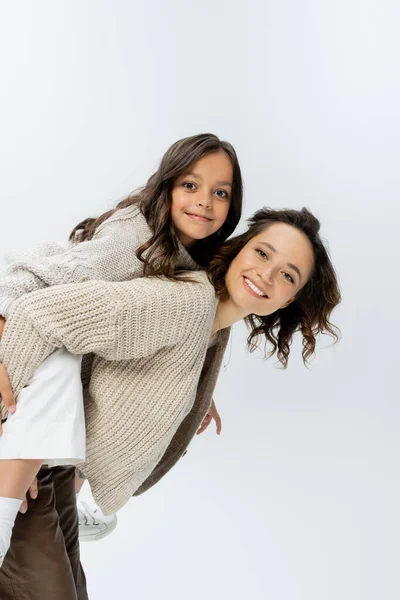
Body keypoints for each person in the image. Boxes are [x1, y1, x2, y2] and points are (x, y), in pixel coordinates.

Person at [0, 206, 341, 587]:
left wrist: (195, 397)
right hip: (26, 474)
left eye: (288, 275)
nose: (267, 273)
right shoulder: (186, 305)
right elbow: (39, 315)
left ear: (288, 300)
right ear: (240, 248)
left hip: (58, 476)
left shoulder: (213, 327)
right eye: (263, 253)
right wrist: (8, 433)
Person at [0, 132, 243, 540]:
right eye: (190, 185)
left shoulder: (193, 258)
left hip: (69, 339)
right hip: (32, 330)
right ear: (165, 186)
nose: (204, 201)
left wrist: (197, 382)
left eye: (220, 193)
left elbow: (169, 329)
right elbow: (45, 274)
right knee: (66, 373)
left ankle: (67, 499)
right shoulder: (133, 240)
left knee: (95, 392)